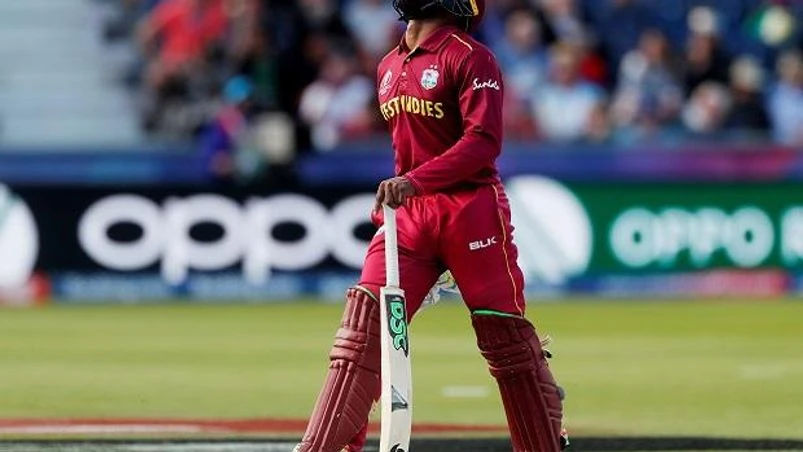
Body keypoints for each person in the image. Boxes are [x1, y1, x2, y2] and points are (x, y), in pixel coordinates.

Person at [293, 1, 568, 451]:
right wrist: (406, 190)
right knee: (364, 328)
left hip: (470, 209)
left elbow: (483, 143)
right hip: (411, 215)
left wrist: (414, 181)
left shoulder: (471, 56)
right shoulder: (387, 64)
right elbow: (411, 149)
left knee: (506, 338)